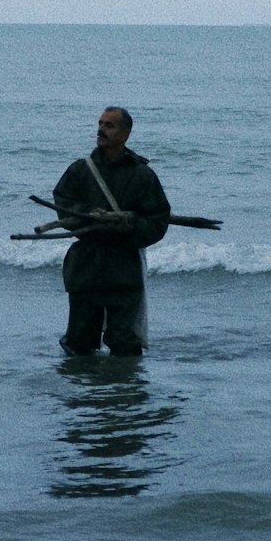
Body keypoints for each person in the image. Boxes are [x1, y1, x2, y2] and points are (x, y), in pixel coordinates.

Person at [53, 107, 171, 357]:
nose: (101, 129)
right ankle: (84, 390)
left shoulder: (142, 175)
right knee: (79, 341)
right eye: (100, 123)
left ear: (126, 134)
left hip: (123, 269)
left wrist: (129, 227)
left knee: (124, 342)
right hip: (86, 267)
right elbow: (62, 202)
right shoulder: (81, 169)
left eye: (109, 125)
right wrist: (88, 215)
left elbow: (158, 220)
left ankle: (124, 390)